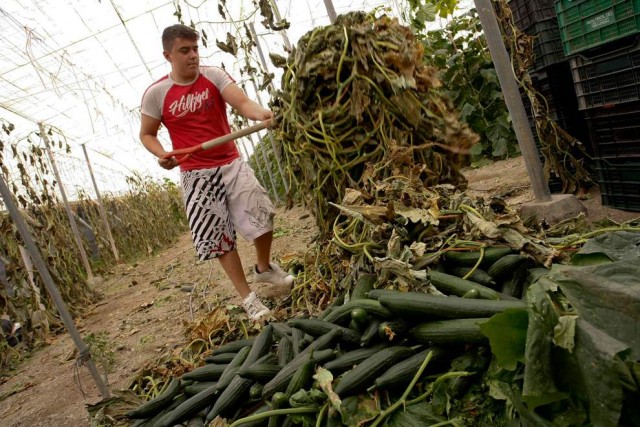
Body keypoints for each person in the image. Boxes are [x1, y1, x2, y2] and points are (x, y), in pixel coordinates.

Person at [139, 24, 292, 321]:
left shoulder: (213, 76)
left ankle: (263, 268)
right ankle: (249, 299)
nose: (193, 56)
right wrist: (162, 155)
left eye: (195, 49)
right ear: (168, 55)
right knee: (219, 238)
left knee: (263, 213)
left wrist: (263, 114)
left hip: (230, 162)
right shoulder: (157, 94)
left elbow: (243, 102)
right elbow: (147, 134)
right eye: (185, 51)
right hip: (196, 174)